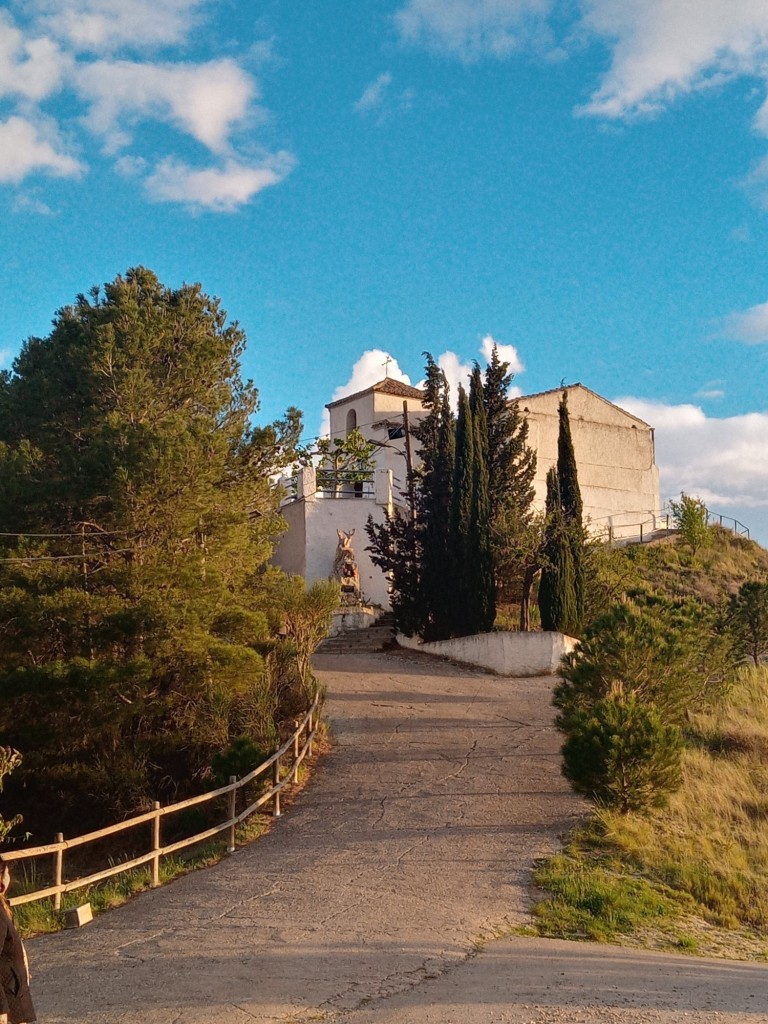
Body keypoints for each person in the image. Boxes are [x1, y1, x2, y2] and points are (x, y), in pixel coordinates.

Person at [0, 856, 35, 1024]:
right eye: (7, 873)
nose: (9, 877)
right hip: (8, 997)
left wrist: (21, 968)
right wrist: (1, 1009)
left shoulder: (3, 906)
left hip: (15, 988)